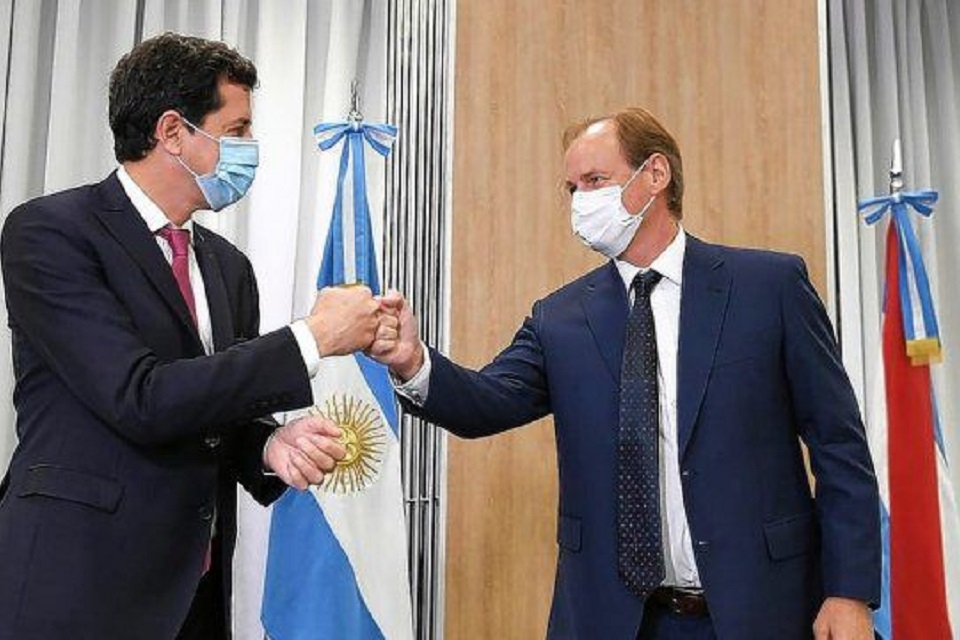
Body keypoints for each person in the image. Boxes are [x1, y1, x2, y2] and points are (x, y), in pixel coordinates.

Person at [373, 108, 880, 639]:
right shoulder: (559, 319)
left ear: (655, 174)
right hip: (617, 621)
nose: (581, 202)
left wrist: (849, 592)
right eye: (572, 188)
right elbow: (486, 402)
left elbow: (838, 444)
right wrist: (412, 361)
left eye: (595, 180)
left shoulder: (769, 287)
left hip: (762, 611)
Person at [0, 33, 392, 640]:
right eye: (236, 131)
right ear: (172, 132)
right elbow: (140, 397)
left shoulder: (229, 267)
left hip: (194, 594)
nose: (250, 149)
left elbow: (211, 407)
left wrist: (267, 444)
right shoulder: (50, 233)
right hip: (77, 584)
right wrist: (312, 338)